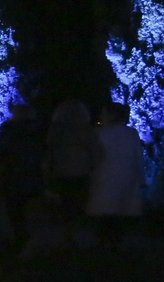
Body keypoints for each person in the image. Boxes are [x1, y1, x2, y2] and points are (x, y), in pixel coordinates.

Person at [0, 103, 46, 251]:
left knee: (12, 210)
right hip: (33, 178)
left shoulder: (9, 131)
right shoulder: (38, 133)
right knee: (27, 211)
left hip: (12, 177)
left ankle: (16, 240)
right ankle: (27, 241)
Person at [87, 101, 144, 247]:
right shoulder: (131, 133)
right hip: (126, 176)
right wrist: (140, 178)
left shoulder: (100, 134)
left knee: (105, 210)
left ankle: (105, 243)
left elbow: (93, 156)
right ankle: (114, 243)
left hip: (104, 176)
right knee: (119, 210)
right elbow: (138, 155)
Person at [44, 99, 94, 242]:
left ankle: (63, 236)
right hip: (81, 172)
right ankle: (73, 236)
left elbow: (49, 151)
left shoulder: (55, 130)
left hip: (60, 172)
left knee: (63, 204)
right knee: (77, 204)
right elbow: (97, 152)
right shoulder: (86, 130)